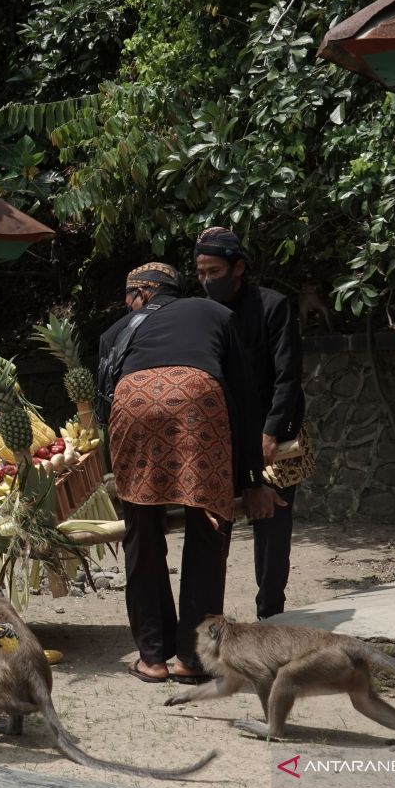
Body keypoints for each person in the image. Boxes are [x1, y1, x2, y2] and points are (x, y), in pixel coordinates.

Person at [96, 262, 284, 684]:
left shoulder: (116, 332)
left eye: (130, 296)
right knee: (206, 527)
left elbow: (105, 404)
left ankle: (152, 658)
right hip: (198, 405)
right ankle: (192, 660)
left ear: (143, 292)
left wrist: (122, 475)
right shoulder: (214, 312)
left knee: (141, 534)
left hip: (134, 406)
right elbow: (244, 396)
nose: (128, 305)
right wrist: (251, 478)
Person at [194, 226, 304, 620]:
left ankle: (270, 614)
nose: (207, 282)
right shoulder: (202, 314)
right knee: (213, 520)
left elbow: (287, 374)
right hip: (221, 433)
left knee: (272, 522)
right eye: (201, 273)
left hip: (276, 429)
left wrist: (271, 430)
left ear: (238, 267)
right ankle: (208, 619)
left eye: (215, 272)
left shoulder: (273, 306)